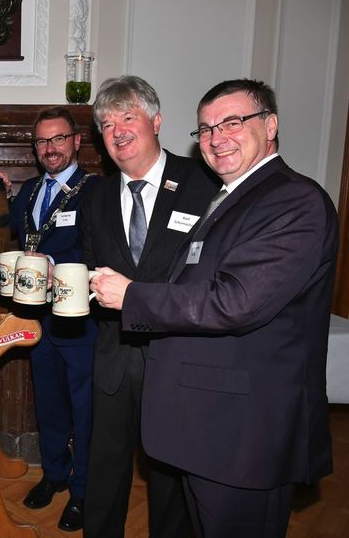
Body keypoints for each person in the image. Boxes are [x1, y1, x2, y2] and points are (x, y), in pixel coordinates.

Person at [91, 79, 337, 537]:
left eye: (232, 122)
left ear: (271, 125)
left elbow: (236, 300)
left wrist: (132, 296)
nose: (216, 137)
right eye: (205, 129)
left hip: (245, 435)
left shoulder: (293, 200)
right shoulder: (232, 197)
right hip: (209, 428)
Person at [80, 76, 219, 538]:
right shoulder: (94, 195)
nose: (117, 130)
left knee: (170, 479)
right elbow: (88, 268)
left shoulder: (203, 184)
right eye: (105, 123)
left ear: (156, 121)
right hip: (113, 358)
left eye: (127, 117)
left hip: (175, 357)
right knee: (104, 472)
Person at [0, 107, 98, 532]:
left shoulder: (96, 190)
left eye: (58, 139)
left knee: (85, 408)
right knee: (50, 403)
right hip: (37, 319)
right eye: (42, 141)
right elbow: (17, 237)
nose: (50, 148)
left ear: (76, 141)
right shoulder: (29, 191)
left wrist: (58, 263)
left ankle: (83, 492)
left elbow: (102, 250)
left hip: (79, 320)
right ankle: (54, 475)